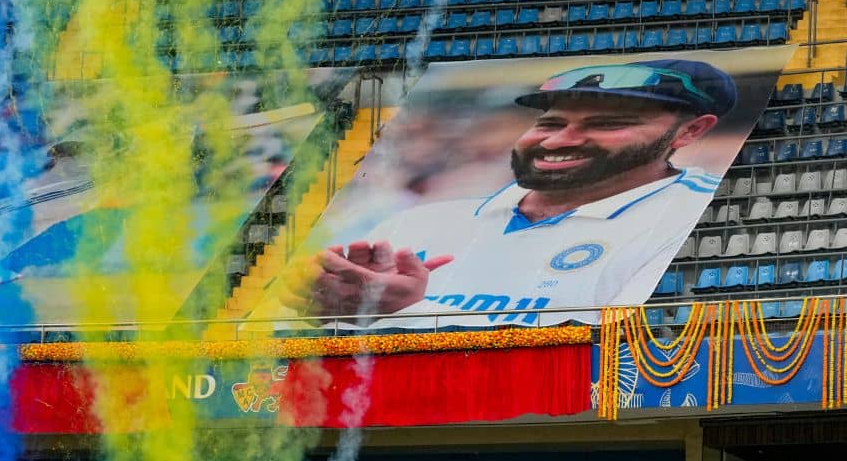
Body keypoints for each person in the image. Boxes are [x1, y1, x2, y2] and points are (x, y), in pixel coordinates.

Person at [279, 59, 737, 327]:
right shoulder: (419, 221)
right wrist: (329, 311)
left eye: (607, 124)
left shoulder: (702, 220)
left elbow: (624, 357)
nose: (558, 141)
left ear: (690, 131)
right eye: (550, 123)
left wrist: (409, 311)